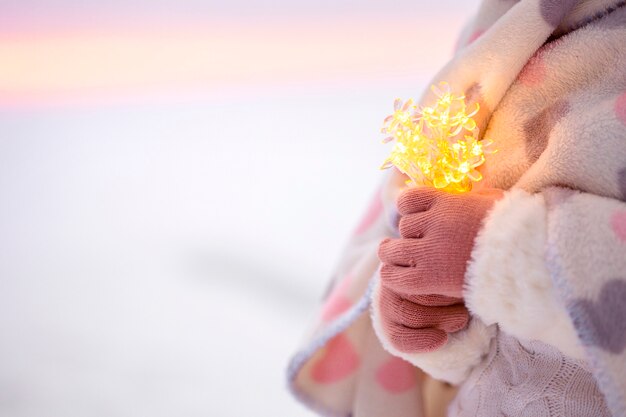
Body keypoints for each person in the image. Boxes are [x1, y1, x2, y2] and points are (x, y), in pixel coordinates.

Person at [287, 0, 626, 415]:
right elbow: (488, 342)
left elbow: (483, 258)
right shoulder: (504, 31)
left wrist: (501, 251)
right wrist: (433, 322)